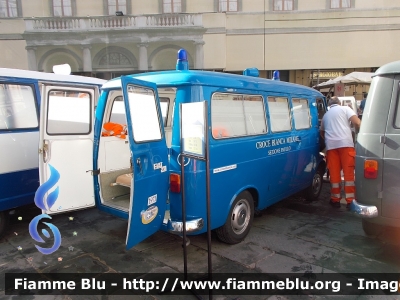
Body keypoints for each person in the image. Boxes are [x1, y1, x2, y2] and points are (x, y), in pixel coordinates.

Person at [320, 96, 361, 209]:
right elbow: (357, 122)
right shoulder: (345, 109)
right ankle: (350, 201)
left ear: (329, 104)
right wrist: (358, 134)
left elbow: (322, 132)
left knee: (334, 173)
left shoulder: (325, 115)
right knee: (348, 174)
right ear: (339, 102)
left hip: (331, 147)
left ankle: (335, 200)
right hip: (346, 145)